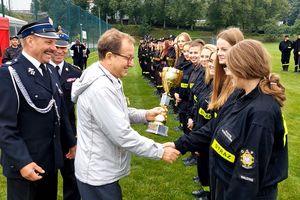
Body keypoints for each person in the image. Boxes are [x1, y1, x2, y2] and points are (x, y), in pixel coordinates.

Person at [169, 39, 288, 200]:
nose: (227, 72)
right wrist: (179, 144)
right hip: (223, 182)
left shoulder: (262, 112)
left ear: (243, 67)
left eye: (230, 67)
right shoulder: (239, 95)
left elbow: (247, 176)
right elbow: (213, 127)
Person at [71, 28, 180, 200]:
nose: (131, 63)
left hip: (102, 171)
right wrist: (159, 151)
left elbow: (117, 113)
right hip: (98, 175)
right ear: (109, 57)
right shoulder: (101, 88)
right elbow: (121, 134)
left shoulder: (108, 78)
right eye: (128, 58)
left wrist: (145, 115)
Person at [0, 17, 77, 200]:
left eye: (54, 42)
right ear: (30, 41)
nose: (53, 47)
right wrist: (23, 162)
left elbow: (60, 111)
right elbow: (4, 125)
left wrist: (70, 142)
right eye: (48, 42)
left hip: (50, 161)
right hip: (25, 167)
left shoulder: (49, 70)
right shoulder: (9, 74)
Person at [50, 31, 82, 200]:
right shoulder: (42, 70)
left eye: (63, 48)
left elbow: (84, 106)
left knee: (72, 176)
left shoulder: (75, 72)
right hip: (48, 133)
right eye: (57, 47)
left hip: (69, 131)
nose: (60, 51)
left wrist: (76, 135)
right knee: (47, 178)